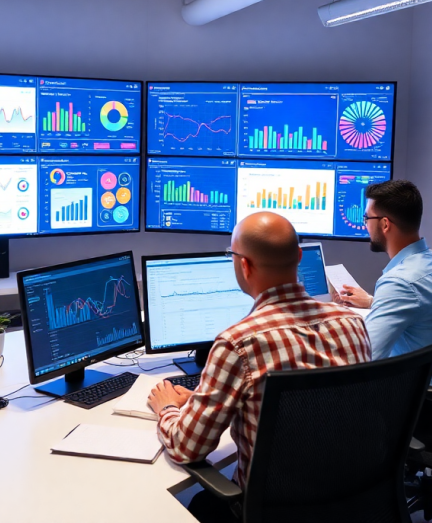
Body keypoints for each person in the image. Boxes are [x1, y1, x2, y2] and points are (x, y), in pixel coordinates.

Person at [148, 212, 370, 523]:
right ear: (300, 257)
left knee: (198, 505)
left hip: (271, 511)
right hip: (352, 501)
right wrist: (204, 396)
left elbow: (187, 448)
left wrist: (167, 408)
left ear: (244, 265)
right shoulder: (353, 324)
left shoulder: (238, 343)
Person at [335, 180, 432, 399]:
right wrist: (372, 303)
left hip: (423, 399)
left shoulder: (400, 282)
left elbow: (366, 359)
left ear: (385, 224)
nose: (366, 224)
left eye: (367, 218)